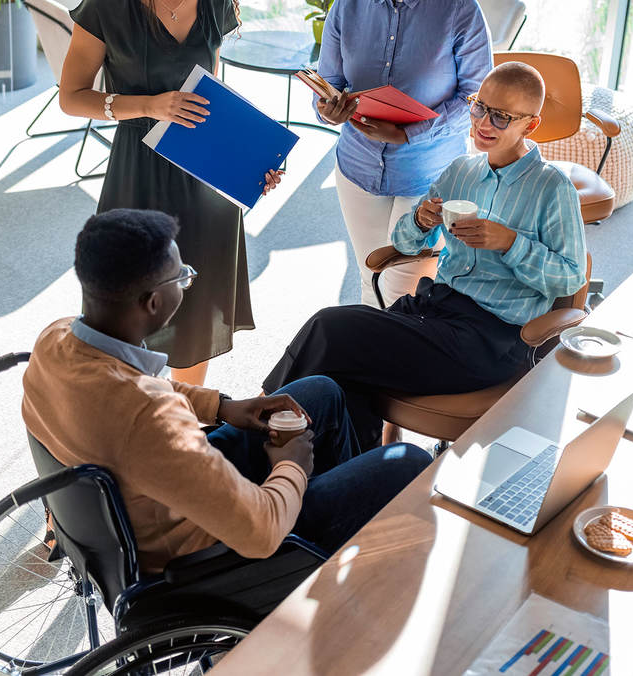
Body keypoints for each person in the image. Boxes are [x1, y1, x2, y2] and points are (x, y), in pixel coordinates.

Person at [22, 208, 431, 572]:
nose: (186, 285)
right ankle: (325, 553)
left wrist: (224, 407)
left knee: (320, 391)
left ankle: (340, 533)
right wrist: (290, 466)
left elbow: (133, 387)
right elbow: (261, 533)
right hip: (203, 556)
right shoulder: (152, 417)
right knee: (406, 461)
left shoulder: (55, 339)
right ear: (151, 302)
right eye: (181, 278)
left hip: (143, 491)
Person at [264, 62, 587, 448]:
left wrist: (509, 243)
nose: (484, 123)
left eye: (501, 117)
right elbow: (405, 242)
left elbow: (570, 278)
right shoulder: (461, 171)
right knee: (342, 374)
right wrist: (419, 219)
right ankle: (349, 475)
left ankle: (255, 426)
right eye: (479, 107)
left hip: (488, 338)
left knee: (330, 328)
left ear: (530, 125)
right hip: (432, 309)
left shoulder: (552, 188)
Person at [58, 0, 277, 385]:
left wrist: (252, 164)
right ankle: (132, 420)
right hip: (138, 173)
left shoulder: (217, 4)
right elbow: (72, 97)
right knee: (129, 303)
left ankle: (186, 427)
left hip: (204, 178)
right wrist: (149, 105)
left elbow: (213, 98)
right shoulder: (105, 5)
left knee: (196, 311)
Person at [314, 0, 492, 308]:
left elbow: (477, 97)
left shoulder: (458, 8)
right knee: (368, 276)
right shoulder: (348, 5)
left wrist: (409, 135)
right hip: (357, 168)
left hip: (428, 174)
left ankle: (394, 370)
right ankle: (362, 371)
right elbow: (329, 85)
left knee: (402, 290)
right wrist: (328, 108)